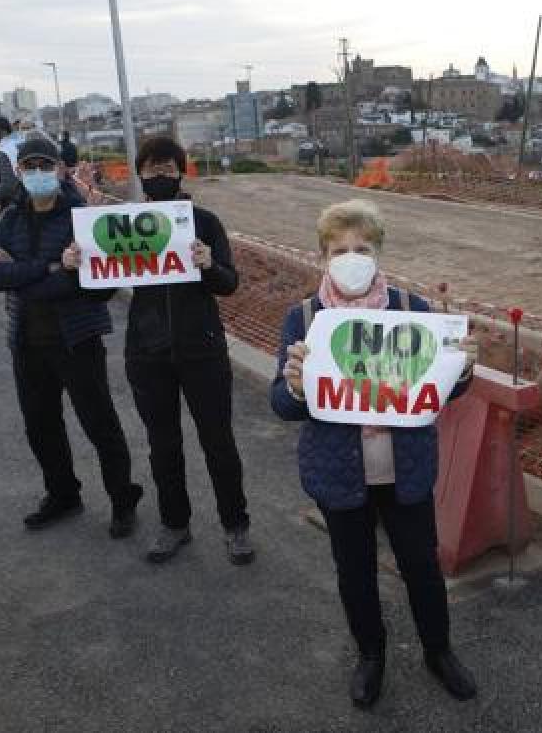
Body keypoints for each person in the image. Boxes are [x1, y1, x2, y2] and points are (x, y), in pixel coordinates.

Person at [271, 199, 480, 709]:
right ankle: (371, 655)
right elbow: (281, 403)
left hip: (404, 469)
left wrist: (464, 370)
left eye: (361, 247)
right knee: (355, 571)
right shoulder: (303, 318)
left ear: (379, 251)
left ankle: (439, 650)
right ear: (323, 256)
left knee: (422, 568)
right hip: (339, 472)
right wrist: (297, 386)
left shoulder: (414, 312)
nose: (351, 257)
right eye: (339, 249)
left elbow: (443, 392)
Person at [65, 135, 252, 565]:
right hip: (146, 354)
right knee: (162, 444)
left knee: (218, 442)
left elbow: (229, 283)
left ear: (181, 171)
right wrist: (80, 268)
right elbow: (99, 292)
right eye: (153, 169)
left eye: (169, 168)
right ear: (141, 174)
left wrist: (210, 265)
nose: (161, 175)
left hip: (202, 349)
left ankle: (235, 525)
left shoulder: (204, 222)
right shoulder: (122, 225)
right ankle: (174, 524)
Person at [0, 137, 143, 536]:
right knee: (40, 425)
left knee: (99, 423)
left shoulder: (81, 220)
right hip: (27, 342)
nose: (38, 173)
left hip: (77, 339)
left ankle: (123, 499)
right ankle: (63, 493)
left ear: (61, 169)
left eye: (45, 165)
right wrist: (53, 269)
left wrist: (26, 274)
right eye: (30, 166)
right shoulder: (11, 219)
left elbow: (96, 287)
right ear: (19, 171)